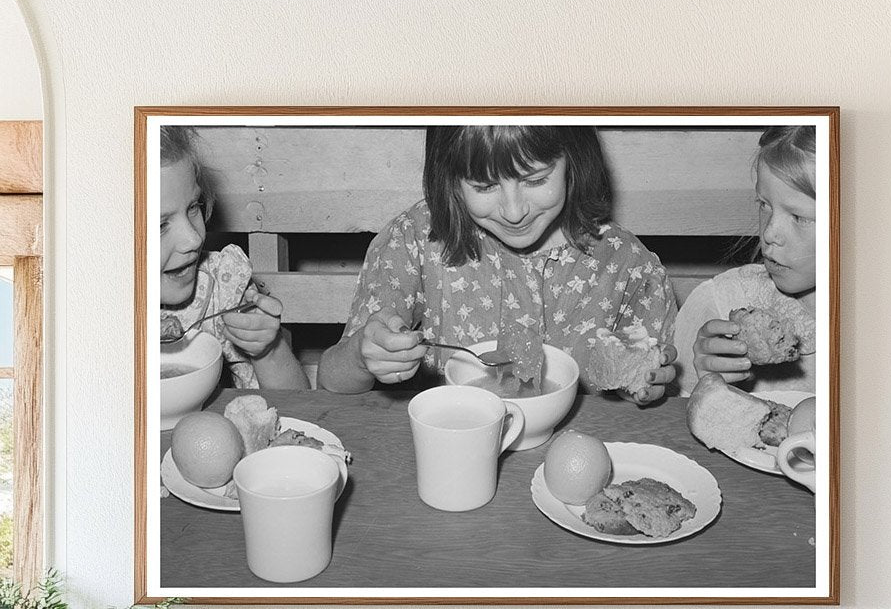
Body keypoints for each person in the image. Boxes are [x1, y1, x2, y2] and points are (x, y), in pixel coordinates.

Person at [317, 125, 677, 403]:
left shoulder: (627, 265)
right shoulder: (413, 241)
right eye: (484, 186)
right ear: (451, 180)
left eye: (536, 179)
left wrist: (641, 382)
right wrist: (364, 357)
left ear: (575, 159)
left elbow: (648, 398)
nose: (514, 211)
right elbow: (331, 382)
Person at [159, 125, 309, 389]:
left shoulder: (221, 288)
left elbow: (296, 405)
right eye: (160, 225)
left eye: (193, 207)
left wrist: (268, 351)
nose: (193, 239)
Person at [674, 125, 817, 395]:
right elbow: (670, 419)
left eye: (799, 217)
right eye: (764, 204)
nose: (769, 233)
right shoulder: (718, 302)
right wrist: (705, 384)